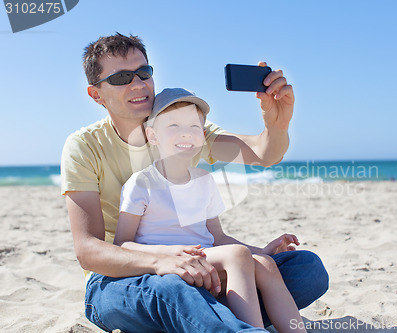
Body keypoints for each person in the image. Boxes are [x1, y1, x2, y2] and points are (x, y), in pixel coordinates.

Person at [61, 33, 328, 332]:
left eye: (143, 73)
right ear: (96, 94)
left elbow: (263, 153)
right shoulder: (85, 145)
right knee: (172, 291)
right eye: (122, 77)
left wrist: (276, 123)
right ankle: (217, 318)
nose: (138, 84)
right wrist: (162, 263)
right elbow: (88, 250)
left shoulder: (182, 125)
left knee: (306, 270)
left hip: (203, 263)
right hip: (123, 277)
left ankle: (206, 317)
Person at [113, 88, 307, 332]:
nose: (186, 133)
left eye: (193, 127)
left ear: (203, 135)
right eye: (173, 126)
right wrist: (170, 253)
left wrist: (263, 251)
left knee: (266, 264)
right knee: (236, 255)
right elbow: (123, 244)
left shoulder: (204, 180)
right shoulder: (142, 183)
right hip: (167, 267)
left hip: (207, 259)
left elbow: (218, 238)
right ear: (152, 135)